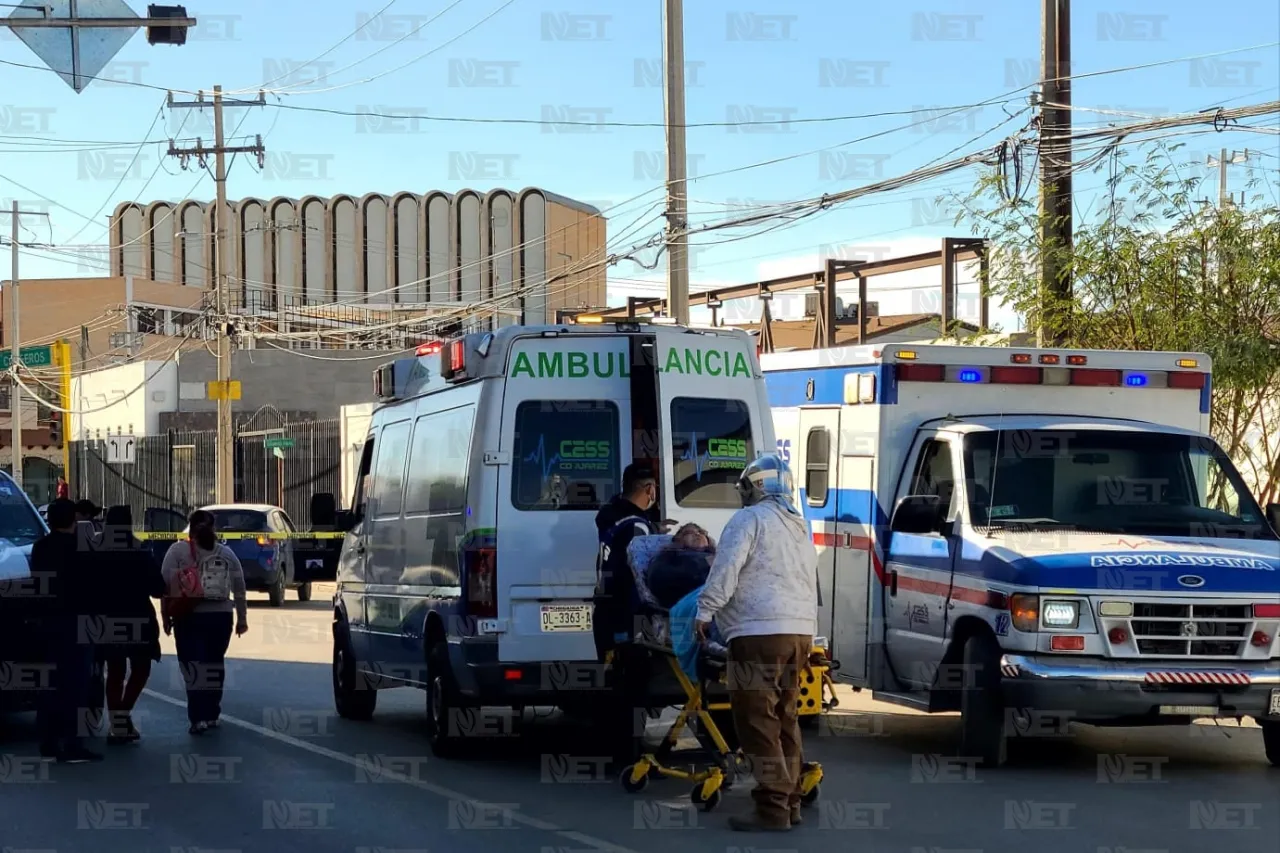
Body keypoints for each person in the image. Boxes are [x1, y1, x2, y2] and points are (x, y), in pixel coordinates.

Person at [694, 454, 819, 833]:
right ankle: (791, 801)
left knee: (757, 721)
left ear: (756, 487)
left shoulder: (749, 520)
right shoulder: (799, 525)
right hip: (799, 632)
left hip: (758, 632)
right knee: (785, 718)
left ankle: (771, 809)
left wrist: (705, 610)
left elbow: (726, 568)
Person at [160, 509, 248, 734]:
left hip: (187, 616)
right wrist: (241, 619)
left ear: (190, 527)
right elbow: (239, 587)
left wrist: (165, 617)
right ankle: (212, 713)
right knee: (214, 664)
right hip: (220, 617)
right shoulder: (226, 553)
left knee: (192, 667)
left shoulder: (177, 550)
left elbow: (165, 585)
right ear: (214, 528)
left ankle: (197, 718)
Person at [30, 498, 102, 763]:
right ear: (73, 520)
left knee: (50, 684)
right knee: (77, 686)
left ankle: (48, 743)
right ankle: (72, 745)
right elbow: (93, 587)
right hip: (78, 623)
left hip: (48, 623)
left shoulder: (40, 548)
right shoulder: (82, 548)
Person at [94, 505, 165, 744]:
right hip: (139, 619)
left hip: (107, 620)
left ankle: (118, 723)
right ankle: (121, 719)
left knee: (115, 671)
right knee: (141, 668)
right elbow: (158, 588)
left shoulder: (96, 553)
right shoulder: (140, 551)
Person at [647, 522, 715, 609]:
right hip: (693, 605)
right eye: (690, 532)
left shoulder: (717, 556)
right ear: (678, 539)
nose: (697, 535)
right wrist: (704, 565)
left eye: (701, 532)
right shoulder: (668, 557)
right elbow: (658, 578)